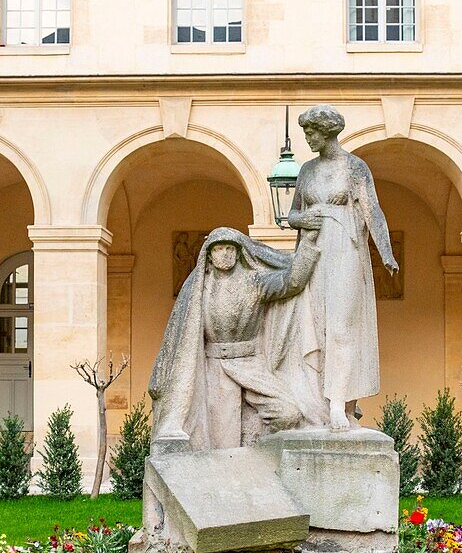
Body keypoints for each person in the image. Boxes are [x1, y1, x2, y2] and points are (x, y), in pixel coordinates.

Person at [149, 227, 324, 451]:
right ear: (209, 255)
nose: (225, 254)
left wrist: (308, 244)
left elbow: (291, 282)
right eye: (219, 249)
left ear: (239, 252)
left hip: (251, 364)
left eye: (230, 248)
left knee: (288, 412)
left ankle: (259, 455)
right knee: (222, 443)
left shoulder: (254, 282)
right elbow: (183, 334)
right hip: (215, 367)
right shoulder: (198, 289)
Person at [286, 104, 399, 431]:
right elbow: (292, 214)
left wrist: (386, 253)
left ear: (327, 132)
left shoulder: (354, 168)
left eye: (311, 132)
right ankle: (319, 404)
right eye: (306, 132)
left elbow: (373, 212)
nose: (307, 138)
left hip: (346, 252)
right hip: (314, 253)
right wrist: (303, 218)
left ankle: (340, 404)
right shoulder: (306, 170)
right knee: (316, 328)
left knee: (342, 328)